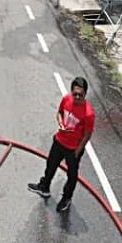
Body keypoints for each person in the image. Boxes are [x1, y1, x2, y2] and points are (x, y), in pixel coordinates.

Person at [28, 77, 96, 212]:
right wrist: (60, 122)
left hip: (73, 149)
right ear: (71, 91)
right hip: (59, 142)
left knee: (72, 175)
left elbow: (87, 134)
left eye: (80, 95)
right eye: (75, 94)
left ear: (85, 93)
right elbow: (59, 113)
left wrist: (78, 151)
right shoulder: (66, 100)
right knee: (50, 165)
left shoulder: (89, 113)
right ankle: (44, 187)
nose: (77, 97)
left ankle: (66, 198)